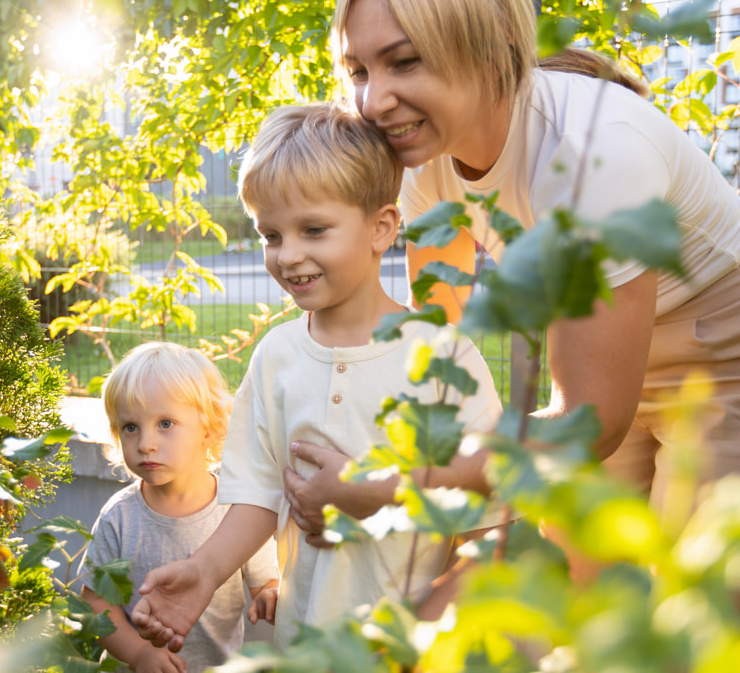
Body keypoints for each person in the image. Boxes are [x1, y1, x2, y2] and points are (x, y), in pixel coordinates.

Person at [281, 0, 740, 631]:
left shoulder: (586, 157)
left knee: (687, 634)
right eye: (359, 68)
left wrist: (386, 490)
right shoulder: (421, 161)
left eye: (404, 60)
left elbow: (584, 426)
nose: (373, 99)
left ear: (488, 44)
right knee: (588, 614)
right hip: (609, 360)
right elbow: (432, 352)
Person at [130, 102, 503, 650]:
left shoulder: (444, 358)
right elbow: (257, 493)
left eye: (313, 229)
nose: (289, 255)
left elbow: (489, 520)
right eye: (271, 235)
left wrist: (429, 633)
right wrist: (205, 571)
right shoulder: (277, 356)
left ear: (381, 227)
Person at [79, 342, 279, 673]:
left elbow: (265, 581)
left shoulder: (237, 514)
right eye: (131, 427)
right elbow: (96, 601)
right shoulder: (119, 516)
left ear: (210, 427)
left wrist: (269, 595)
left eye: (166, 424)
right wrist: (138, 653)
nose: (145, 444)